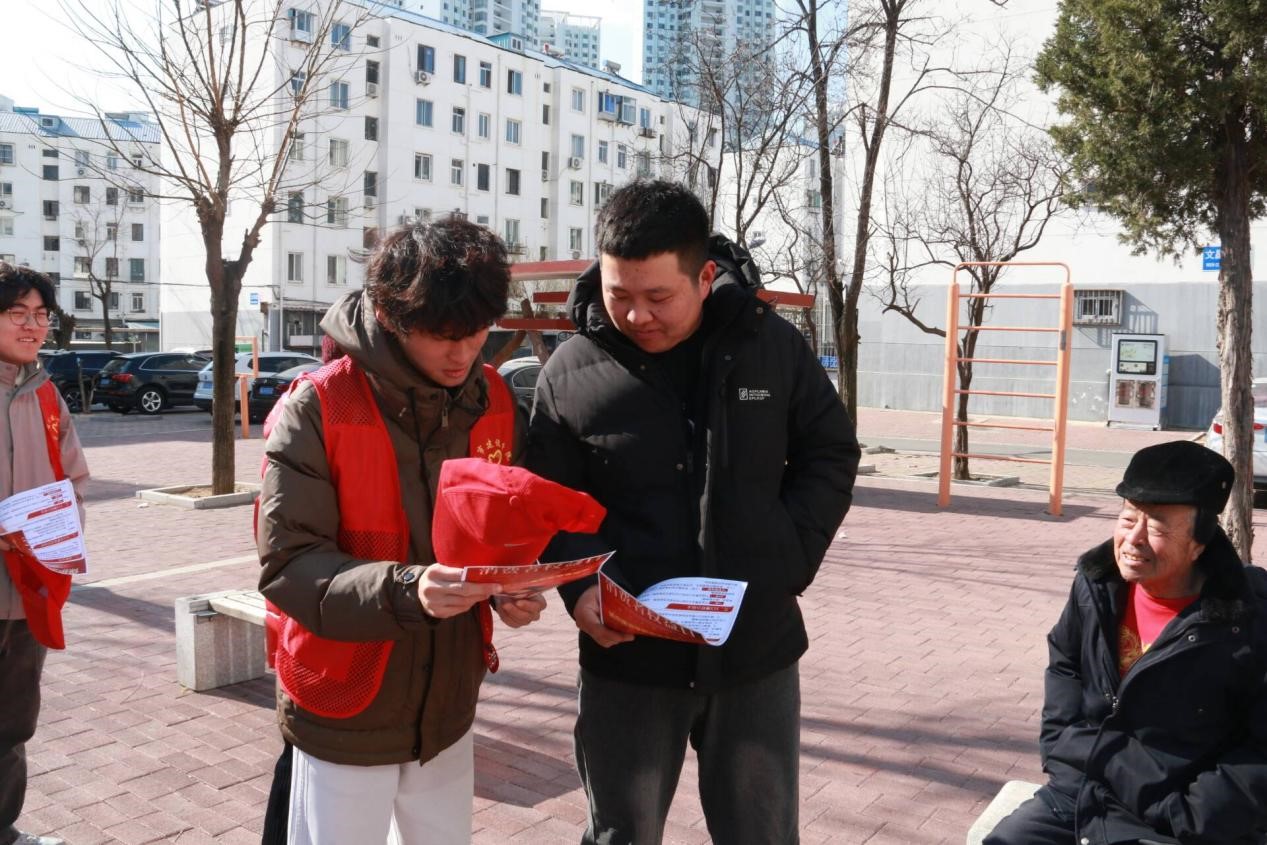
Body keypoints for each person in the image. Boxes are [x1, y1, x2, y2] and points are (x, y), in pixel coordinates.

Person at [526, 180, 860, 844]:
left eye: (658, 297)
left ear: (704, 277)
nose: (637, 315)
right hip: (628, 659)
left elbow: (830, 451)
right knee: (620, 834)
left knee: (763, 836)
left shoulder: (770, 345)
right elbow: (548, 501)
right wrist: (580, 588)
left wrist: (788, 556)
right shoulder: (569, 371)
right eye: (619, 295)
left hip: (754, 650)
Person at [257, 220, 548, 845]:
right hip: (342, 700)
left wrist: (511, 588)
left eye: (478, 332)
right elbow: (289, 566)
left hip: (448, 701)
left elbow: (498, 532)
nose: (463, 354)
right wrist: (409, 589)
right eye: (442, 336)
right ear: (391, 316)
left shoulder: (493, 399)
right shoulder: (320, 405)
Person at [985, 440, 1267, 844]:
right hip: (1083, 790)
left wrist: (1189, 815)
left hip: (1178, 815)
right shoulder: (1097, 585)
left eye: (1157, 526)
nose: (1133, 538)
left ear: (1199, 543)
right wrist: (1062, 750)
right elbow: (1065, 663)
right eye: (1127, 518)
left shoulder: (1247, 619)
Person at [0, 264, 90, 845]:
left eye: (41, 315)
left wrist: (61, 531)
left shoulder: (47, 396)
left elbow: (74, 480)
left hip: (28, 593)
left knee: (11, 726)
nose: (32, 325)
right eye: (17, 313)